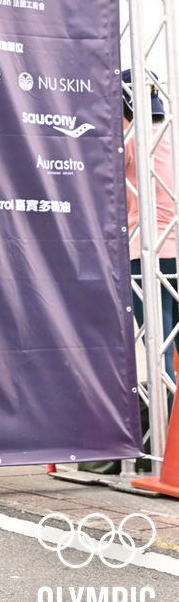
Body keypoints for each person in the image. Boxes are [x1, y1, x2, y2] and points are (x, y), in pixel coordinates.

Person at [123, 69, 178, 417]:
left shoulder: (129, 141)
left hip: (145, 254)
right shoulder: (170, 136)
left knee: (160, 354)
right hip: (175, 249)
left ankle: (169, 435)